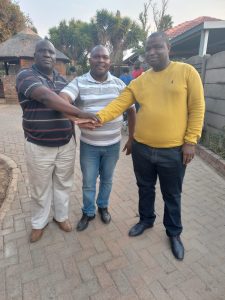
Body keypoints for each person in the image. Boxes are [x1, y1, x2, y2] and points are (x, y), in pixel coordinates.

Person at [78, 32, 205, 260]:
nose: (152, 52)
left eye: (157, 47)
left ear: (169, 48)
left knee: (172, 194)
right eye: (148, 49)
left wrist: (190, 141)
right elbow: (118, 105)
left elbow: (197, 108)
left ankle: (174, 233)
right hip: (142, 149)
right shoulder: (140, 81)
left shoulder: (187, 73)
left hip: (174, 151)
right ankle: (146, 220)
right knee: (145, 188)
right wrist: (97, 118)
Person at [16, 39, 95, 242]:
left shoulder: (63, 80)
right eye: (42, 51)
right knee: (40, 187)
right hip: (38, 145)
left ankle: (61, 217)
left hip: (66, 144)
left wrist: (81, 119)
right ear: (35, 55)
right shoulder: (26, 75)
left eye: (51, 52)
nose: (47, 55)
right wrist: (80, 113)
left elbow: (72, 103)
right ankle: (39, 223)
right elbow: (46, 98)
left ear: (55, 56)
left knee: (63, 184)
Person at [60, 45, 136, 231]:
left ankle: (103, 207)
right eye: (97, 57)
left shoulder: (119, 84)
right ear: (90, 60)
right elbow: (62, 100)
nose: (101, 60)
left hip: (113, 145)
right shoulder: (79, 82)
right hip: (89, 146)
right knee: (88, 181)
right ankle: (88, 211)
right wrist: (77, 119)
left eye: (105, 57)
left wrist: (132, 138)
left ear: (110, 61)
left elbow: (132, 111)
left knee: (107, 179)